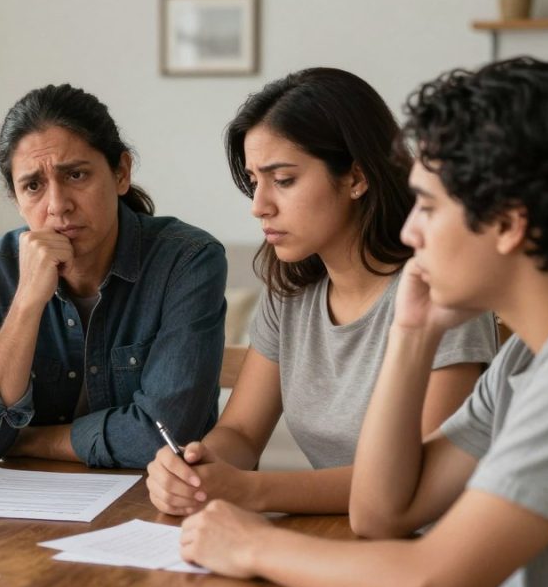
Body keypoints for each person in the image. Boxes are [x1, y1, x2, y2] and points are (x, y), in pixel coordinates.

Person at [180, 57, 548, 587]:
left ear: (507, 223)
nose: (410, 231)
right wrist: (411, 333)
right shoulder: (522, 363)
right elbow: (382, 514)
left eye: (429, 206)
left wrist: (252, 542)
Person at [147, 68, 497, 515]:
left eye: (283, 180)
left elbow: (417, 482)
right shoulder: (290, 292)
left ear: (356, 177)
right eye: (254, 181)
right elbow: (242, 433)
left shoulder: (438, 297)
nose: (259, 205)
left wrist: (250, 490)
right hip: (333, 533)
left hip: (427, 541)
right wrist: (197, 467)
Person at [0, 83, 228, 468]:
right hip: (28, 500)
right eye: (33, 186)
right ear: (16, 199)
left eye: (76, 175)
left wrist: (30, 440)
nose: (57, 205)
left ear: (121, 173)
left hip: (156, 495)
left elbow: (164, 436)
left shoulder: (187, 261)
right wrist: (27, 302)